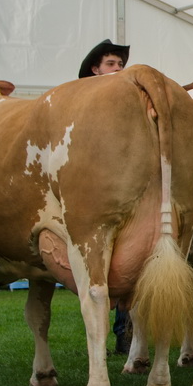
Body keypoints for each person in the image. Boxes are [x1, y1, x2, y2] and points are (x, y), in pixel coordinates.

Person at [78, 39, 133, 354]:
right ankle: (100, 334)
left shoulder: (130, 101)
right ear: (94, 69)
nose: (118, 69)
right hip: (89, 198)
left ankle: (125, 333)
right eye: (111, 64)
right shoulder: (81, 101)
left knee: (129, 264)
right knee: (96, 270)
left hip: (126, 192)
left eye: (120, 64)